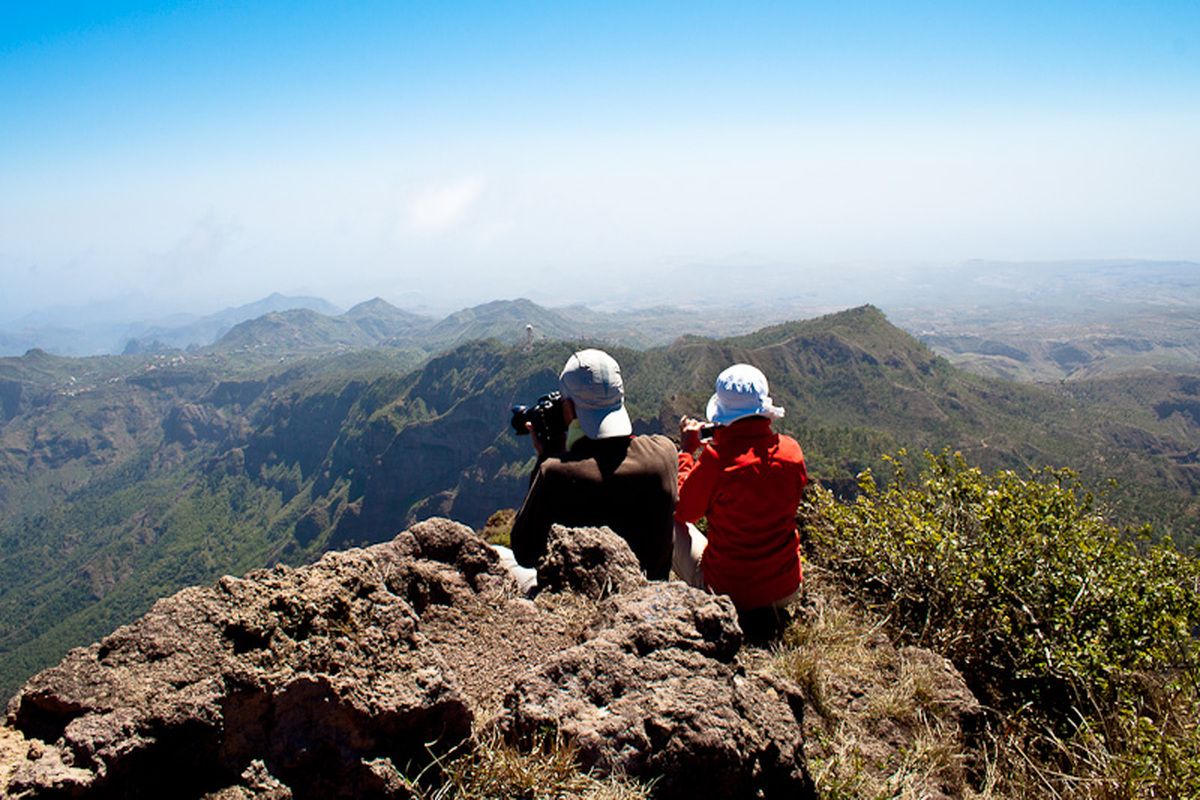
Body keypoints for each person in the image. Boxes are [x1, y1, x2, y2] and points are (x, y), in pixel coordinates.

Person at [502, 349, 678, 590]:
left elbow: (525, 553)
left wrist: (545, 456)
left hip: (583, 599)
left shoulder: (556, 474)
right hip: (650, 595)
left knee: (499, 555)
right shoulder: (664, 454)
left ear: (570, 409)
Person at [674, 363, 808, 614]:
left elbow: (684, 511)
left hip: (729, 592)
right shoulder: (792, 452)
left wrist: (686, 454)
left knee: (667, 522)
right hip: (786, 588)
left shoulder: (717, 460)